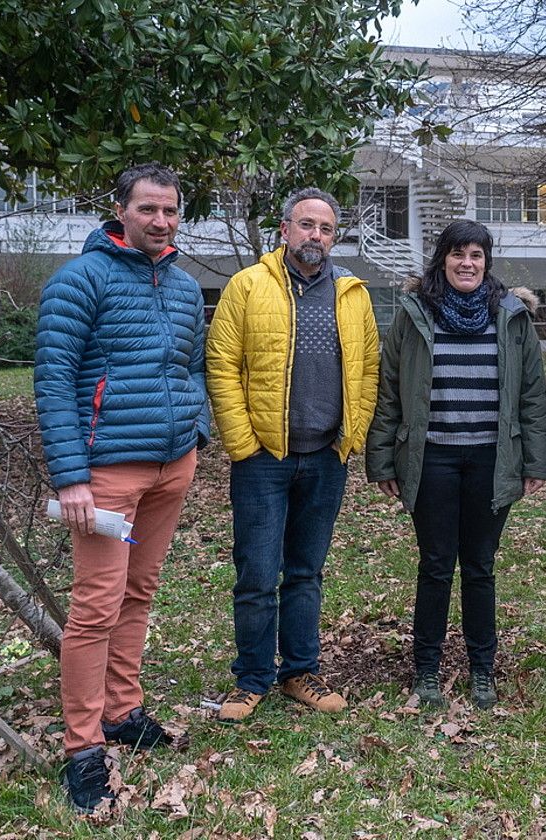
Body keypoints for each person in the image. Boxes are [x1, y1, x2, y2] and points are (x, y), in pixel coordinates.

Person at [34, 163, 209, 814]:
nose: (160, 222)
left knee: (139, 593)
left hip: (172, 468)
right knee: (94, 609)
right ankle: (83, 749)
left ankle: (122, 711)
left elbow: (192, 367)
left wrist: (198, 430)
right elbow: (53, 382)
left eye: (170, 211)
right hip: (105, 474)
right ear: (121, 210)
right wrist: (71, 477)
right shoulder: (81, 281)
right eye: (148, 210)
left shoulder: (188, 288)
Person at [206, 187, 379, 721]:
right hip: (262, 459)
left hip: (325, 456)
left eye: (325, 229)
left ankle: (300, 671)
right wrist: (242, 442)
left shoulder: (352, 294)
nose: (316, 237)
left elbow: (368, 368)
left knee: (305, 571)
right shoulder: (248, 285)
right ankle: (252, 677)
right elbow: (221, 363)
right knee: (257, 572)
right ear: (284, 230)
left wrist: (350, 438)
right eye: (307, 226)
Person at [366, 220, 546, 710]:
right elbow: (390, 390)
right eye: (457, 254)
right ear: (441, 258)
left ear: (486, 261)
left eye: (476, 254)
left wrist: (535, 460)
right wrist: (382, 459)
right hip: (433, 459)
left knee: (480, 567)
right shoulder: (415, 312)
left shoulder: (511, 316)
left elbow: (532, 394)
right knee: (435, 565)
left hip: (492, 458)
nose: (466, 263)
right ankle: (426, 669)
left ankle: (482, 670)